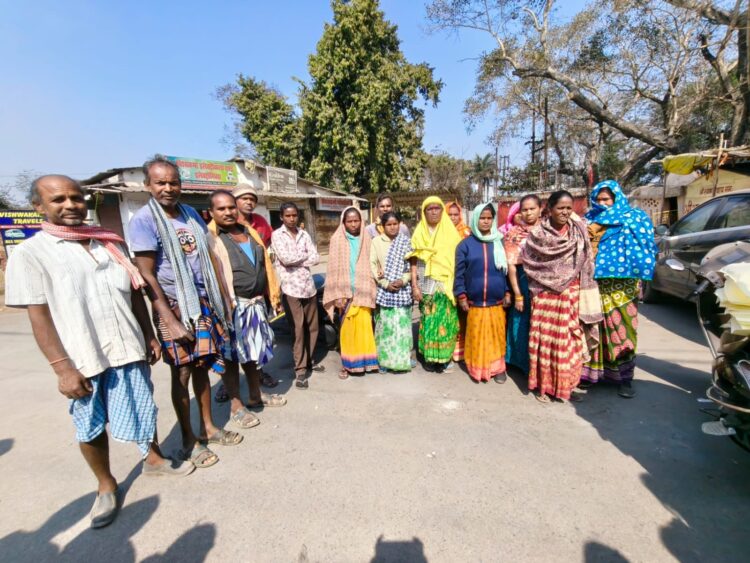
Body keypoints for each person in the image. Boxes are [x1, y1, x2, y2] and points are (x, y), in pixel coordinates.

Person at [5, 175, 194, 529]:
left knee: (143, 405)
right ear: (39, 207)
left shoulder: (108, 243)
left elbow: (134, 293)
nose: (70, 205)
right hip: (83, 355)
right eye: (58, 199)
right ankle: (106, 484)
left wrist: (149, 336)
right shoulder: (31, 254)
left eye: (76, 198)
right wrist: (62, 368)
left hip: (127, 346)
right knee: (90, 424)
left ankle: (153, 458)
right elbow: (39, 316)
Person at [130, 156, 242, 470]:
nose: (168, 188)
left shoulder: (190, 214)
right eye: (160, 183)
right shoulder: (144, 220)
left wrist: (223, 298)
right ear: (148, 185)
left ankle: (208, 427)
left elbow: (207, 257)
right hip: (173, 306)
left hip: (202, 302)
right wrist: (169, 320)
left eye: (173, 182)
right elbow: (147, 275)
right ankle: (188, 440)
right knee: (181, 373)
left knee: (202, 366)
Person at [207, 190, 287, 429]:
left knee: (253, 353)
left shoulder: (248, 232)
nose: (228, 212)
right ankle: (236, 406)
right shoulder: (211, 238)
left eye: (231, 207)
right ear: (211, 212)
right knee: (231, 357)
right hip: (232, 307)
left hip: (255, 304)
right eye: (221, 208)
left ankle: (255, 394)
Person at [522, 190, 602, 403]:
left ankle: (566, 387)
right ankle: (544, 388)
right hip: (545, 297)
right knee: (546, 343)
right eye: (560, 208)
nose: (565, 212)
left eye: (569, 208)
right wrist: (549, 283)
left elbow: (586, 262)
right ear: (550, 209)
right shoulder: (538, 234)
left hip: (571, 295)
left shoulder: (578, 231)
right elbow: (530, 264)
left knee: (571, 342)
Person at [581, 180, 657, 398]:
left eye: (607, 199)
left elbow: (645, 247)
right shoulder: (589, 219)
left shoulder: (634, 218)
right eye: (598, 199)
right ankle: (591, 376)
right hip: (594, 284)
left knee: (622, 331)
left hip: (623, 287)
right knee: (593, 328)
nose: (603, 203)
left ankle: (625, 379)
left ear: (616, 198)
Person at [454, 203, 512, 383]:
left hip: (496, 302)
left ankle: (498, 369)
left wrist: (508, 292)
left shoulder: (499, 242)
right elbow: (459, 274)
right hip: (475, 302)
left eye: (489, 218)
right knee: (477, 337)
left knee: (496, 336)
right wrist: (461, 295)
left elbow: (506, 271)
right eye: (482, 218)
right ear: (475, 219)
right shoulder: (465, 245)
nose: (486, 222)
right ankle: (478, 368)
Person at [271, 201, 323, 389]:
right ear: (281, 217)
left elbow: (316, 257)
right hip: (291, 289)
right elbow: (285, 259)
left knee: (313, 327)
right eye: (288, 215)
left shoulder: (304, 234)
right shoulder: (277, 235)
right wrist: (304, 257)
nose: (292, 219)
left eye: (294, 215)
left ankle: (310, 360)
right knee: (298, 329)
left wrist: (298, 260)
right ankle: (300, 370)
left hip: (308, 287)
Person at [323, 207, 379, 378]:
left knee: (364, 329)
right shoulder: (337, 239)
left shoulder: (367, 238)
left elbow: (374, 262)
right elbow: (333, 269)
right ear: (344, 222)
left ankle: (366, 362)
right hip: (345, 293)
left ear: (361, 221)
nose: (353, 224)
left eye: (356, 221)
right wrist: (337, 293)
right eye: (350, 221)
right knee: (347, 331)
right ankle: (347, 364)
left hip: (363, 289)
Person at [409, 196, 462, 373]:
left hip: (447, 284)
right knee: (428, 320)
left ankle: (445, 358)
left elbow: (459, 262)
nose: (433, 212)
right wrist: (415, 286)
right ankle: (429, 358)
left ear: (442, 211)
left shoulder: (451, 233)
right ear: (424, 212)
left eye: (437, 208)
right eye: (429, 209)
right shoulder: (419, 232)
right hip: (426, 284)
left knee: (447, 321)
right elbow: (413, 261)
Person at [369, 211, 414, 372]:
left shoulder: (406, 241)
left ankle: (402, 360)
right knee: (386, 328)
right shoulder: (376, 242)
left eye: (395, 224)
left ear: (400, 224)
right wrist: (385, 283)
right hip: (384, 290)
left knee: (402, 328)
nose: (392, 227)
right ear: (383, 226)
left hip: (403, 290)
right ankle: (385, 362)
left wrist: (404, 280)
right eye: (389, 224)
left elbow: (411, 266)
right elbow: (373, 264)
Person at [504, 195, 543, 375]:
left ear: (540, 209)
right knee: (520, 321)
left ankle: (540, 365)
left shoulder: (549, 230)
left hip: (545, 284)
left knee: (541, 324)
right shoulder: (513, 234)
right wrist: (518, 294)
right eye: (524, 210)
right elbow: (511, 266)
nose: (528, 213)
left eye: (532, 209)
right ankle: (519, 363)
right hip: (522, 282)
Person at [446, 200, 471, 364]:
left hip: (463, 278)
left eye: (456, 214)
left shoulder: (467, 232)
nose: (453, 217)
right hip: (446, 278)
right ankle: (448, 350)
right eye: (450, 214)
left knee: (463, 314)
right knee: (449, 314)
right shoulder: (440, 232)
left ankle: (462, 351)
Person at [232, 182, 273, 248]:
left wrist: (262, 250)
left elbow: (270, 238)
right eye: (244, 198)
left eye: (252, 199)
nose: (249, 202)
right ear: (234, 201)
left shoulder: (260, 220)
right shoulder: (229, 221)